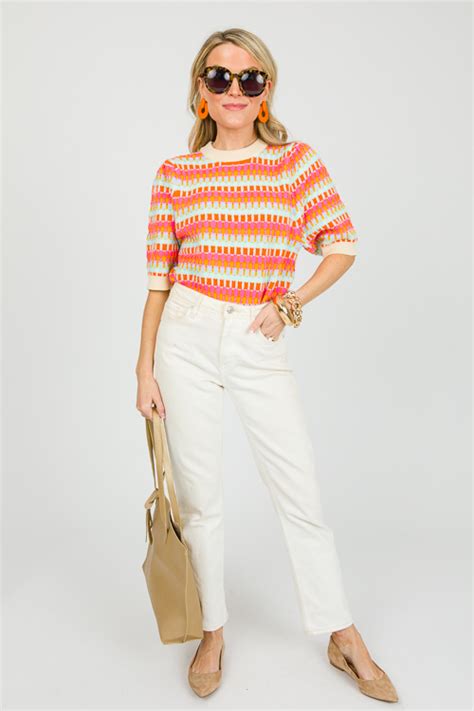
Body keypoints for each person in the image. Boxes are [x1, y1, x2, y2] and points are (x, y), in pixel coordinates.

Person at [136, 27, 399, 703]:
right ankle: (213, 631)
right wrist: (144, 370)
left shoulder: (294, 164)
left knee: (299, 491)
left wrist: (290, 303)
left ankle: (343, 634)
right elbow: (158, 282)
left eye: (249, 78)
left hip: (256, 338)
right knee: (201, 499)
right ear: (200, 90)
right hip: (185, 334)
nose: (235, 89)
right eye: (219, 77)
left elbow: (342, 242)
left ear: (266, 90)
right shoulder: (176, 174)